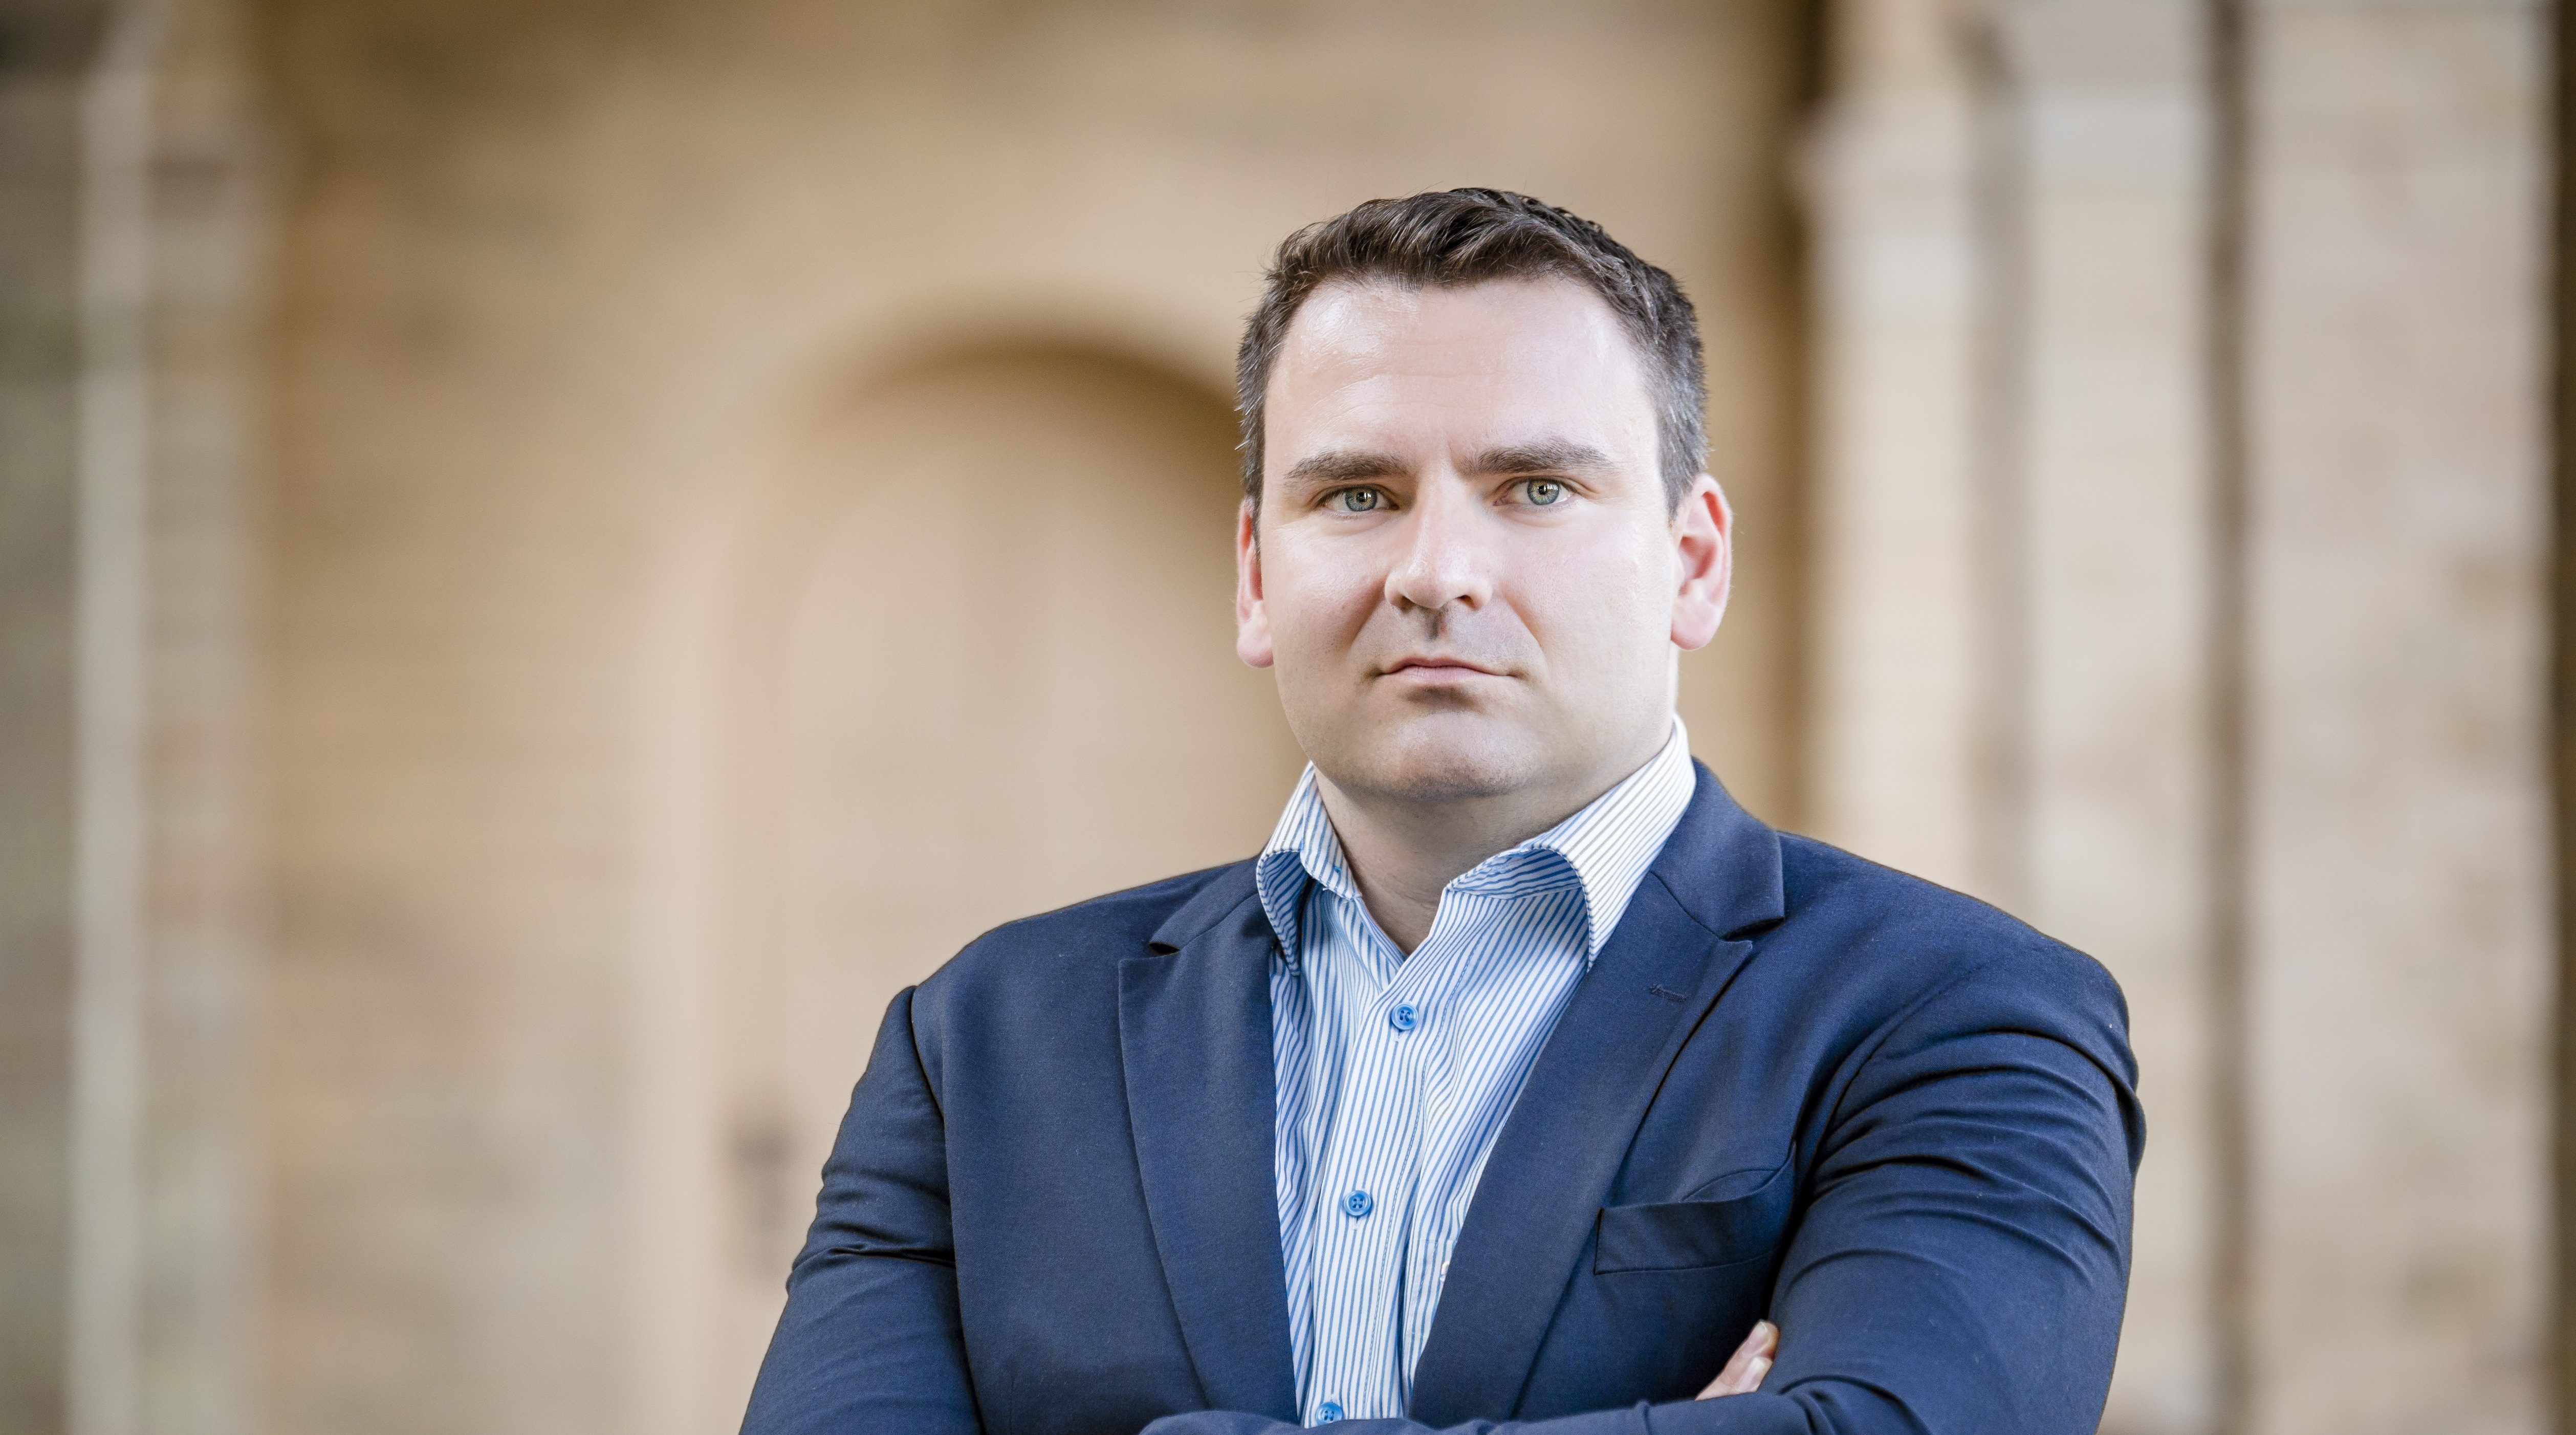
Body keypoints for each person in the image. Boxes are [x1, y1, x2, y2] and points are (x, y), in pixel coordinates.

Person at [739, 189, 2143, 1435]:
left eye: (1536, 488)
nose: (1435, 571)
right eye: (1358, 494)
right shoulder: (981, 1041)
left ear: (1692, 561)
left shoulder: (1956, 1014)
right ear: (1256, 575)